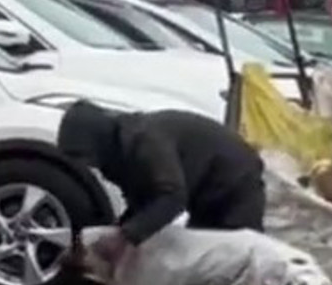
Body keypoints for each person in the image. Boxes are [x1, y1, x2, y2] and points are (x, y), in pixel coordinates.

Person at [55, 100, 266, 265]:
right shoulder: (115, 154)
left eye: (85, 156)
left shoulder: (146, 143)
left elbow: (172, 196)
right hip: (202, 187)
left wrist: (125, 237)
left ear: (97, 142)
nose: (87, 165)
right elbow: (143, 201)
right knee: (204, 260)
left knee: (235, 260)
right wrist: (112, 234)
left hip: (235, 181)